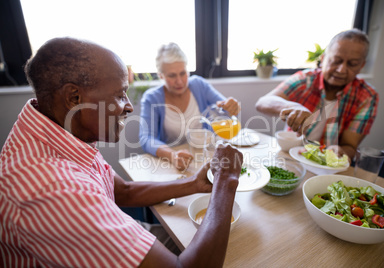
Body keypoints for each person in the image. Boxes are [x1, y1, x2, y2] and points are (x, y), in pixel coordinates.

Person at [0, 37, 244, 267]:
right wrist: (226, 180)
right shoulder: (53, 190)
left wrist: (194, 183)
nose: (128, 106)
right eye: (119, 94)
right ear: (74, 97)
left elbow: (122, 191)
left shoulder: (60, 135)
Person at [255, 29, 378, 160]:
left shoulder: (367, 96)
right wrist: (293, 107)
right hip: (289, 156)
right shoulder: (305, 79)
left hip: (327, 164)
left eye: (352, 64)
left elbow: (350, 146)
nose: (341, 70)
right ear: (323, 58)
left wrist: (341, 151)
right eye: (336, 61)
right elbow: (263, 102)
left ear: (361, 66)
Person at [139, 42, 241, 171]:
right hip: (173, 162)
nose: (180, 81)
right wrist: (172, 155)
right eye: (172, 75)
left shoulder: (199, 85)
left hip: (204, 157)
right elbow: (146, 138)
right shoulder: (152, 98)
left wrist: (232, 107)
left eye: (183, 73)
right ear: (161, 75)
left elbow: (228, 113)